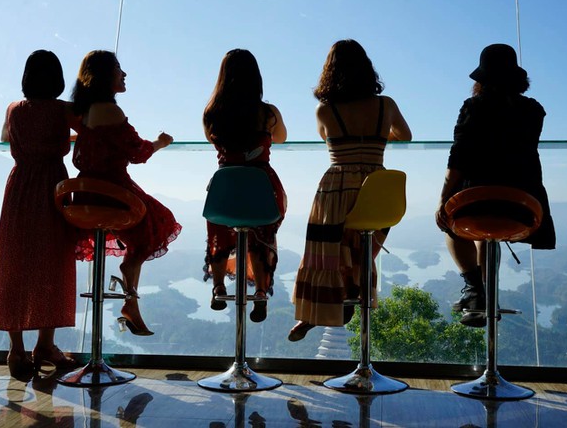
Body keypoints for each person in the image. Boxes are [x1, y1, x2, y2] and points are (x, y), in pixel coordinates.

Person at [289, 39, 412, 341]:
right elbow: (405, 135)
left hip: (337, 186)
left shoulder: (324, 110)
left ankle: (316, 310)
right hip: (377, 189)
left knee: (324, 251)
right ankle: (355, 292)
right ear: (367, 69)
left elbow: (326, 139)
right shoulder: (386, 105)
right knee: (363, 245)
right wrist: (377, 138)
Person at [435, 43, 556, 328]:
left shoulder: (474, 107)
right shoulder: (534, 110)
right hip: (523, 205)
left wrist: (442, 200)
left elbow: (458, 158)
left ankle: (475, 289)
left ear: (481, 79)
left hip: (477, 201)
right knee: (489, 233)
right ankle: (486, 294)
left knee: (450, 223)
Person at [71, 50, 182, 336]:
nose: (124, 73)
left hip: (84, 195)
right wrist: (160, 142)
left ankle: (131, 301)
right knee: (160, 221)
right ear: (103, 75)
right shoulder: (111, 111)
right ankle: (130, 286)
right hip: (112, 192)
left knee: (147, 224)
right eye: (118, 68)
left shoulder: (81, 112)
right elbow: (137, 152)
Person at [0, 50, 79, 379]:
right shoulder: (63, 110)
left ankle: (16, 350)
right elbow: (94, 132)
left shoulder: (13, 109)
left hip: (19, 186)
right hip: (52, 187)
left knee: (15, 264)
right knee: (51, 263)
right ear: (57, 79)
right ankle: (45, 345)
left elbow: (6, 137)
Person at [202, 49, 287, 323]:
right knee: (260, 233)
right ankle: (260, 291)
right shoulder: (268, 113)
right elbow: (281, 138)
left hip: (224, 191)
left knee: (219, 232)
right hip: (262, 189)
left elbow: (211, 140)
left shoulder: (212, 113)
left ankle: (218, 287)